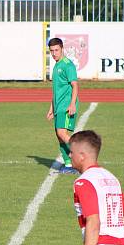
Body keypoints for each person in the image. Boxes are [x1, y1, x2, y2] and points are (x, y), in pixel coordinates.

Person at [46, 37, 79, 174]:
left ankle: (82, 155)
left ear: (62, 49)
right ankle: (68, 165)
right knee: (59, 136)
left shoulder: (67, 65)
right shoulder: (56, 65)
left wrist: (72, 104)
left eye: (56, 50)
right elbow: (56, 90)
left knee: (62, 133)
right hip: (58, 106)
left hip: (66, 106)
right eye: (52, 51)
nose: (54, 53)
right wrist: (52, 108)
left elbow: (75, 85)